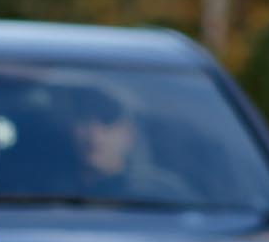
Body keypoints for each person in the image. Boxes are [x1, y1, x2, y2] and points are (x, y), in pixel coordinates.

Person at [60, 83, 193, 205]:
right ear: (70, 130)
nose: (95, 134)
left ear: (129, 134)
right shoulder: (46, 190)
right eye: (85, 120)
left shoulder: (164, 195)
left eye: (108, 120)